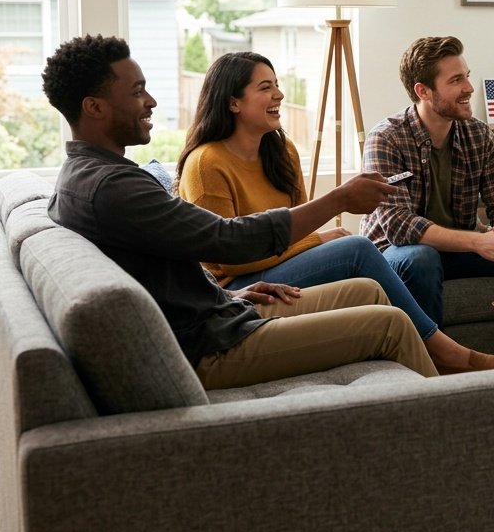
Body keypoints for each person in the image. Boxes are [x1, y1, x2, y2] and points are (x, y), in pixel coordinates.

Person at [40, 35, 437, 389]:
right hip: (208, 346)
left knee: (365, 290)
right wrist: (339, 200)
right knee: (390, 323)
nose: (151, 101)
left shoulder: (94, 175)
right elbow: (226, 240)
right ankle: (457, 422)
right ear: (94, 107)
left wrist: (226, 295)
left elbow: (168, 262)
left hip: (218, 313)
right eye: (137, 92)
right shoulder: (114, 188)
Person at [176, 51, 494, 373]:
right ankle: (446, 352)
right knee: (356, 248)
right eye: (265, 88)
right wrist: (319, 240)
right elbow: (231, 258)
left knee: (353, 251)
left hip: (279, 265)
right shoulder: (206, 164)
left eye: (276, 84)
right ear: (233, 102)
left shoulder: (282, 152)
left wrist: (312, 241)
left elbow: (296, 230)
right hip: (239, 284)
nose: (279, 93)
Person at [360, 36, 494, 364]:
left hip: (458, 251)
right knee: (420, 258)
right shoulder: (387, 138)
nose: (469, 87)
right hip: (397, 254)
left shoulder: (478, 134)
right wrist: (478, 243)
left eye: (466, 75)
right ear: (424, 91)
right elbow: (398, 225)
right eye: (456, 80)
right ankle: (432, 372)